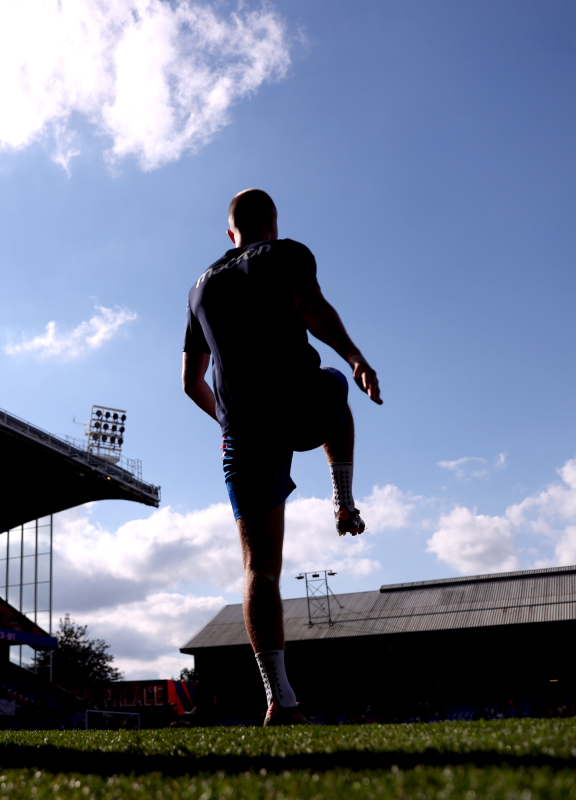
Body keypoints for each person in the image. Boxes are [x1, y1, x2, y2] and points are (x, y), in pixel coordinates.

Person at [182, 189, 382, 727]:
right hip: (296, 402)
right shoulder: (285, 252)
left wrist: (227, 422)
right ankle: (343, 499)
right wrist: (357, 355)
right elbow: (312, 309)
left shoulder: (200, 287)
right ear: (271, 223)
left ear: (230, 233)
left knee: (260, 571)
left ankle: (281, 700)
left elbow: (190, 381)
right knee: (336, 385)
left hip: (243, 433)